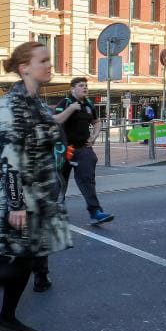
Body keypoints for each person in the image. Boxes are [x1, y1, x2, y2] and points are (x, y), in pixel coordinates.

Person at [0, 42, 72, 331]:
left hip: (37, 195)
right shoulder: (10, 104)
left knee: (28, 258)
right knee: (24, 257)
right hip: (16, 195)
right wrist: (16, 204)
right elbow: (10, 156)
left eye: (50, 59)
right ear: (25, 67)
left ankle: (5, 313)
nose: (50, 65)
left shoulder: (36, 102)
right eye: (43, 60)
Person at [55, 77, 113, 229]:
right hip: (64, 150)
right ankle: (56, 210)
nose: (85, 88)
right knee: (60, 182)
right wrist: (71, 109)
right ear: (72, 89)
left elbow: (97, 121)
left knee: (87, 181)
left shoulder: (88, 104)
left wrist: (94, 136)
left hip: (83, 149)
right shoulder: (65, 102)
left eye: (86, 86)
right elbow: (56, 120)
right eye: (81, 86)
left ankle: (95, 213)